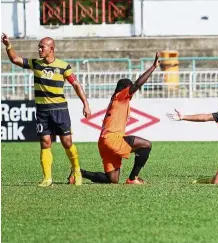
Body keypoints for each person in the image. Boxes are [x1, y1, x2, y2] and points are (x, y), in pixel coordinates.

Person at [1, 33, 91, 187]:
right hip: (42, 110)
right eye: (39, 47)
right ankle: (47, 178)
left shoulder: (64, 66)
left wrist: (86, 104)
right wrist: (8, 45)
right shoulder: (36, 64)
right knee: (45, 141)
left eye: (42, 47)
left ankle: (76, 170)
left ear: (51, 49)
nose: (39, 50)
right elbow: (15, 59)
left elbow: (76, 84)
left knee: (67, 142)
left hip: (60, 109)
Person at [80, 52, 159, 184]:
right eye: (129, 88)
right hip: (112, 139)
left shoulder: (116, 101)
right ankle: (132, 178)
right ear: (124, 89)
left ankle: (80, 173)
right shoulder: (120, 97)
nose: (131, 92)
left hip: (103, 142)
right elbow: (137, 85)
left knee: (112, 179)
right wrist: (153, 67)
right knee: (146, 145)